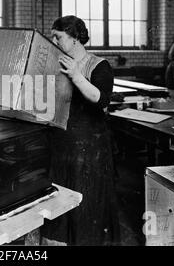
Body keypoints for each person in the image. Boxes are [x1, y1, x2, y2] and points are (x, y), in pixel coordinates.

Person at [41, 15, 120, 246]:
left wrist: (76, 75)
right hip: (61, 141)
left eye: (59, 37)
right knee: (59, 198)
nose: (54, 42)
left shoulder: (98, 64)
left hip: (89, 147)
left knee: (87, 201)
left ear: (75, 38)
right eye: (53, 37)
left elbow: (101, 100)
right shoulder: (55, 64)